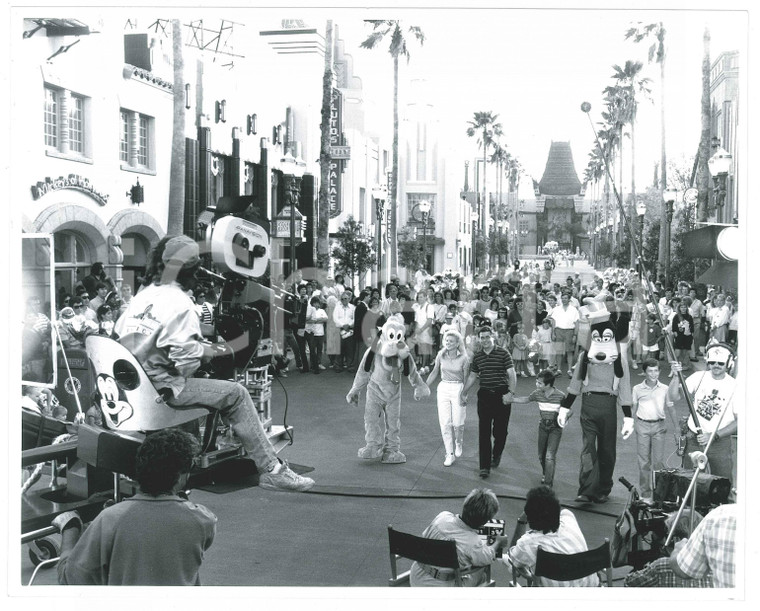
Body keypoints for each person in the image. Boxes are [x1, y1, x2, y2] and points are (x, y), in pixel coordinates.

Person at [115, 235, 314, 492]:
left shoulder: (142, 296)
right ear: (189, 272)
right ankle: (271, 470)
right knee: (237, 394)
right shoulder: (180, 302)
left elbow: (123, 339)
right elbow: (185, 363)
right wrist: (206, 353)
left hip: (130, 387)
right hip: (161, 390)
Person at [54, 428, 217, 585]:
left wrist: (70, 528)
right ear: (182, 474)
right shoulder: (203, 520)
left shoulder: (110, 519)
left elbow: (70, 578)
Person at [409, 488, 510, 586]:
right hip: (440, 587)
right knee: (483, 572)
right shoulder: (473, 542)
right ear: (483, 522)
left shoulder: (442, 517)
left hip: (416, 576)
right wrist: (498, 542)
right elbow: (487, 557)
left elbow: (424, 536)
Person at [668, 343, 737, 484]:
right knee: (690, 482)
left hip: (719, 444)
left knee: (723, 484)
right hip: (693, 439)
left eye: (720, 363)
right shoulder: (698, 377)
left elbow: (740, 421)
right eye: (712, 362)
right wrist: (675, 377)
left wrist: (713, 436)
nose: (716, 365)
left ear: (729, 363)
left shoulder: (735, 386)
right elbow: (674, 397)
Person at [503, 485, 599, 586]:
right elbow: (562, 513)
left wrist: (521, 521)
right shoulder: (569, 518)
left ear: (529, 514)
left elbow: (513, 560)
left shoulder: (528, 544)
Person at [463, 326, 517, 479]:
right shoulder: (478, 357)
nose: (485, 340)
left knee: (500, 432)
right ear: (479, 339)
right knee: (484, 432)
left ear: (493, 337)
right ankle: (484, 466)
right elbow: (473, 376)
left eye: (488, 337)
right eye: (482, 337)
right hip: (485, 396)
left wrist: (510, 394)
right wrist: (464, 392)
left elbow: (512, 375)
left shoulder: (503, 353)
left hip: (502, 395)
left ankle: (497, 454)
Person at [624, 509, 712, 587]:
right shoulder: (716, 566)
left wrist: (648, 567)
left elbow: (628, 583)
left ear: (676, 539)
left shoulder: (662, 567)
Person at [507, 370, 566, 487]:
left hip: (556, 428)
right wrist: (512, 400)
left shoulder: (561, 396)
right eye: (537, 382)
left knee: (550, 456)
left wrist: (565, 415)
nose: (537, 385)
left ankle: (548, 483)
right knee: (541, 455)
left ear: (548, 384)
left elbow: (569, 410)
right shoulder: (537, 393)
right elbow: (527, 399)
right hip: (543, 426)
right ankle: (546, 472)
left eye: (539, 383)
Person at [632, 359, 679, 504]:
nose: (654, 374)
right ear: (644, 373)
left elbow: (671, 407)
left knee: (658, 463)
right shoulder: (637, 389)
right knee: (644, 462)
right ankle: (645, 494)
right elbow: (633, 408)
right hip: (642, 426)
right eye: (650, 371)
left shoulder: (665, 388)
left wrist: (677, 427)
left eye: (656, 370)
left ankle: (659, 494)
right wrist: (631, 424)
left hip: (659, 427)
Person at [425, 330, 470, 467]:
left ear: (457, 344)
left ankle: (458, 442)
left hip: (458, 388)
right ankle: (449, 453)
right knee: (445, 423)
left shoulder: (464, 358)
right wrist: (424, 387)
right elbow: (434, 372)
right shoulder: (440, 354)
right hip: (443, 388)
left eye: (451, 341)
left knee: (457, 423)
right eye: (446, 340)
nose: (448, 343)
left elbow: (466, 378)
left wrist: (464, 394)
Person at [668, 502, 737, 588]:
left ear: (676, 539)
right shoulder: (713, 568)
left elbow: (683, 569)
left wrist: (677, 550)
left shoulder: (719, 515)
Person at [548, 290, 579, 376]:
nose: (564, 300)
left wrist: (575, 335)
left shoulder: (574, 310)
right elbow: (553, 322)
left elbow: (577, 323)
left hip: (569, 331)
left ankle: (569, 370)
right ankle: (558, 370)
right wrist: (553, 333)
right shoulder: (556, 309)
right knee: (559, 351)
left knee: (569, 351)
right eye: (562, 298)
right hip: (559, 331)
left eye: (566, 298)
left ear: (569, 299)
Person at [332, 290, 356, 373]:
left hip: (350, 330)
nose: (344, 300)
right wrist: (343, 325)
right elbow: (335, 318)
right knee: (339, 348)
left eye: (346, 298)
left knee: (350, 349)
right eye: (342, 299)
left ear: (349, 299)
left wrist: (349, 325)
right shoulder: (337, 307)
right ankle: (338, 366)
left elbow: (354, 318)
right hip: (340, 329)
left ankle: (350, 366)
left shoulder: (353, 307)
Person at [305, 295, 328, 375]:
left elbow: (325, 319)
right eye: (315, 303)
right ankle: (313, 365)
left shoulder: (322, 311)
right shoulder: (310, 310)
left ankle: (319, 363)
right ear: (312, 303)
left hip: (321, 333)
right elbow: (308, 320)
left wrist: (315, 320)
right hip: (312, 333)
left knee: (319, 349)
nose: (317, 305)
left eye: (318, 303)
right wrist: (317, 320)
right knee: (312, 350)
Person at [671, 301, 695, 374]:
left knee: (684, 352)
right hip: (679, 336)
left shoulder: (689, 316)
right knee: (677, 352)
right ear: (679, 308)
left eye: (685, 307)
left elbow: (692, 327)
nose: (683, 309)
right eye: (682, 307)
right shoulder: (676, 316)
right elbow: (674, 326)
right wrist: (675, 333)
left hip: (687, 336)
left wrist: (691, 334)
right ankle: (674, 365)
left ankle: (682, 365)